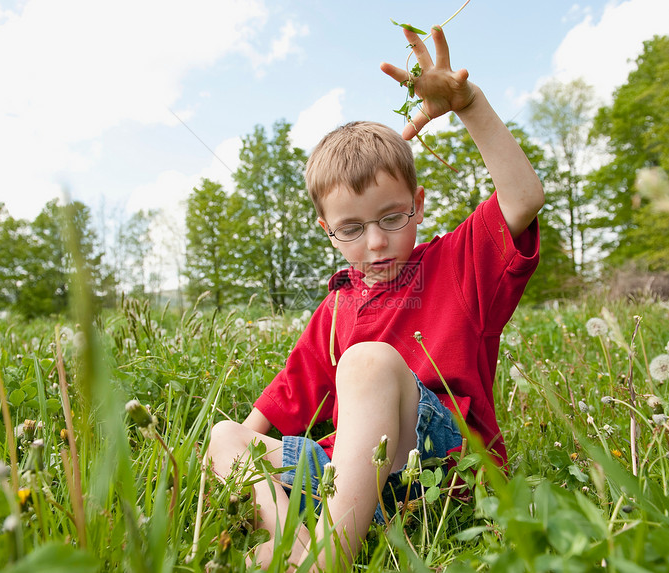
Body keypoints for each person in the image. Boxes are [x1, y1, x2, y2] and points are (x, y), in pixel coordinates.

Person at [206, 24, 544, 571]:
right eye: (352, 229)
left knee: (368, 363)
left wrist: (470, 104)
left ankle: (327, 558)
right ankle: (294, 542)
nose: (377, 241)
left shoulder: (458, 265)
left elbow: (524, 197)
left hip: (440, 466)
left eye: (392, 217)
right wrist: (226, 458)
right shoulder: (336, 308)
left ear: (419, 203)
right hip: (349, 475)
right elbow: (282, 400)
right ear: (327, 230)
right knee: (224, 437)